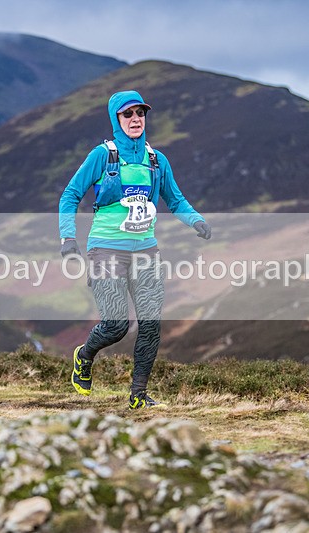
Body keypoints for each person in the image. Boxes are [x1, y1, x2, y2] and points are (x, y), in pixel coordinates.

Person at [59, 90, 211, 409]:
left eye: (140, 113)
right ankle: (84, 356)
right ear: (116, 119)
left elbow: (176, 199)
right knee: (116, 325)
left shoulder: (157, 159)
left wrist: (196, 221)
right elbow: (70, 195)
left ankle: (139, 395)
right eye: (127, 114)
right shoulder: (103, 155)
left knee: (151, 324)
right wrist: (68, 238)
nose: (135, 119)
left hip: (146, 252)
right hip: (106, 250)